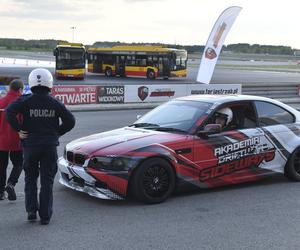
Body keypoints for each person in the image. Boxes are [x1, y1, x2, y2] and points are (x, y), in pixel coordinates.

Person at [6, 68, 75, 225]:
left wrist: (19, 130)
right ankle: (45, 216)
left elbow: (9, 111)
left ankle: (31, 211)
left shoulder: (25, 100)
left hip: (30, 146)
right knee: (47, 181)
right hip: (49, 147)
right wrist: (56, 133)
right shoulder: (55, 102)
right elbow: (71, 121)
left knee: (30, 178)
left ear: (32, 82)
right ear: (49, 83)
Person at [0, 79, 24, 201]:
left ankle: (0, 192)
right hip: (17, 140)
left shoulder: (1, 101)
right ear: (20, 89)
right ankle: (11, 183)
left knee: (1, 166)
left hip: (1, 140)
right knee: (19, 164)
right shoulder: (21, 103)